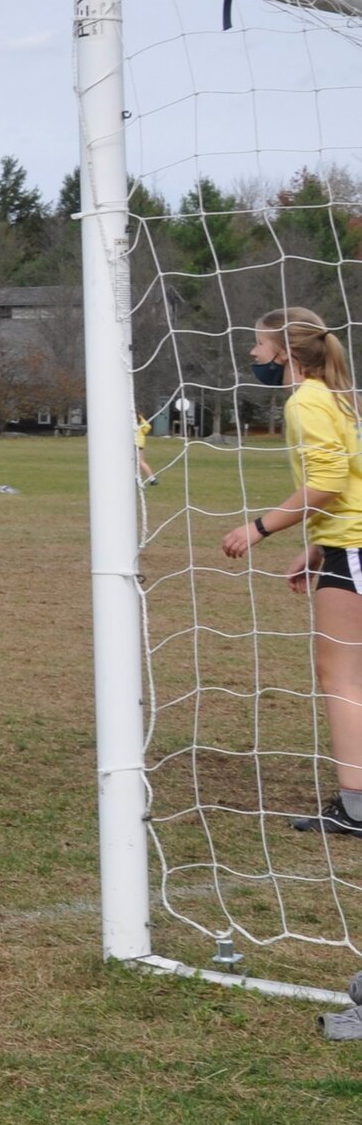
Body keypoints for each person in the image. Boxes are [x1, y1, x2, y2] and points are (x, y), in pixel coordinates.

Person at [220, 306, 362, 840]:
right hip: (344, 544)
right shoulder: (336, 397)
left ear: (283, 352)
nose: (254, 354)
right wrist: (319, 548)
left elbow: (326, 482)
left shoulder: (307, 399)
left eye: (259, 345)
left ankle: (355, 809)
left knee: (342, 677)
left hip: (354, 546)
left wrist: (260, 527)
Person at [137, 413, 159, 486]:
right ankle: (139, 478)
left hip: (136, 443)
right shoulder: (140, 419)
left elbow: (148, 426)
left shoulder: (133, 419)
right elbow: (147, 426)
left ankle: (152, 479)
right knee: (140, 462)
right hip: (141, 443)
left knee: (141, 462)